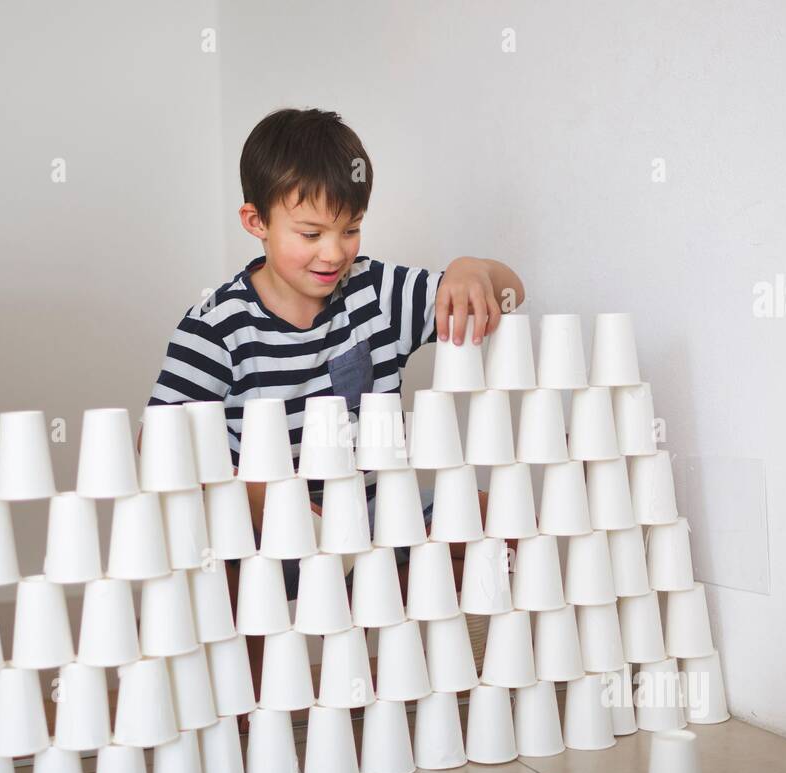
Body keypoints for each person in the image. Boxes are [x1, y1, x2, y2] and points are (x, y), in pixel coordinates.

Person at [144, 107, 525, 722]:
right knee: (223, 592)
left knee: (494, 519)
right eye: (311, 232)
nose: (334, 252)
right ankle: (250, 710)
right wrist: (268, 498)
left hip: (379, 521)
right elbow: (157, 443)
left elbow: (510, 289)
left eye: (350, 230)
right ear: (256, 223)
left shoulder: (375, 294)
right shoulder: (217, 326)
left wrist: (470, 271)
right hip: (264, 540)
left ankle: (460, 677)